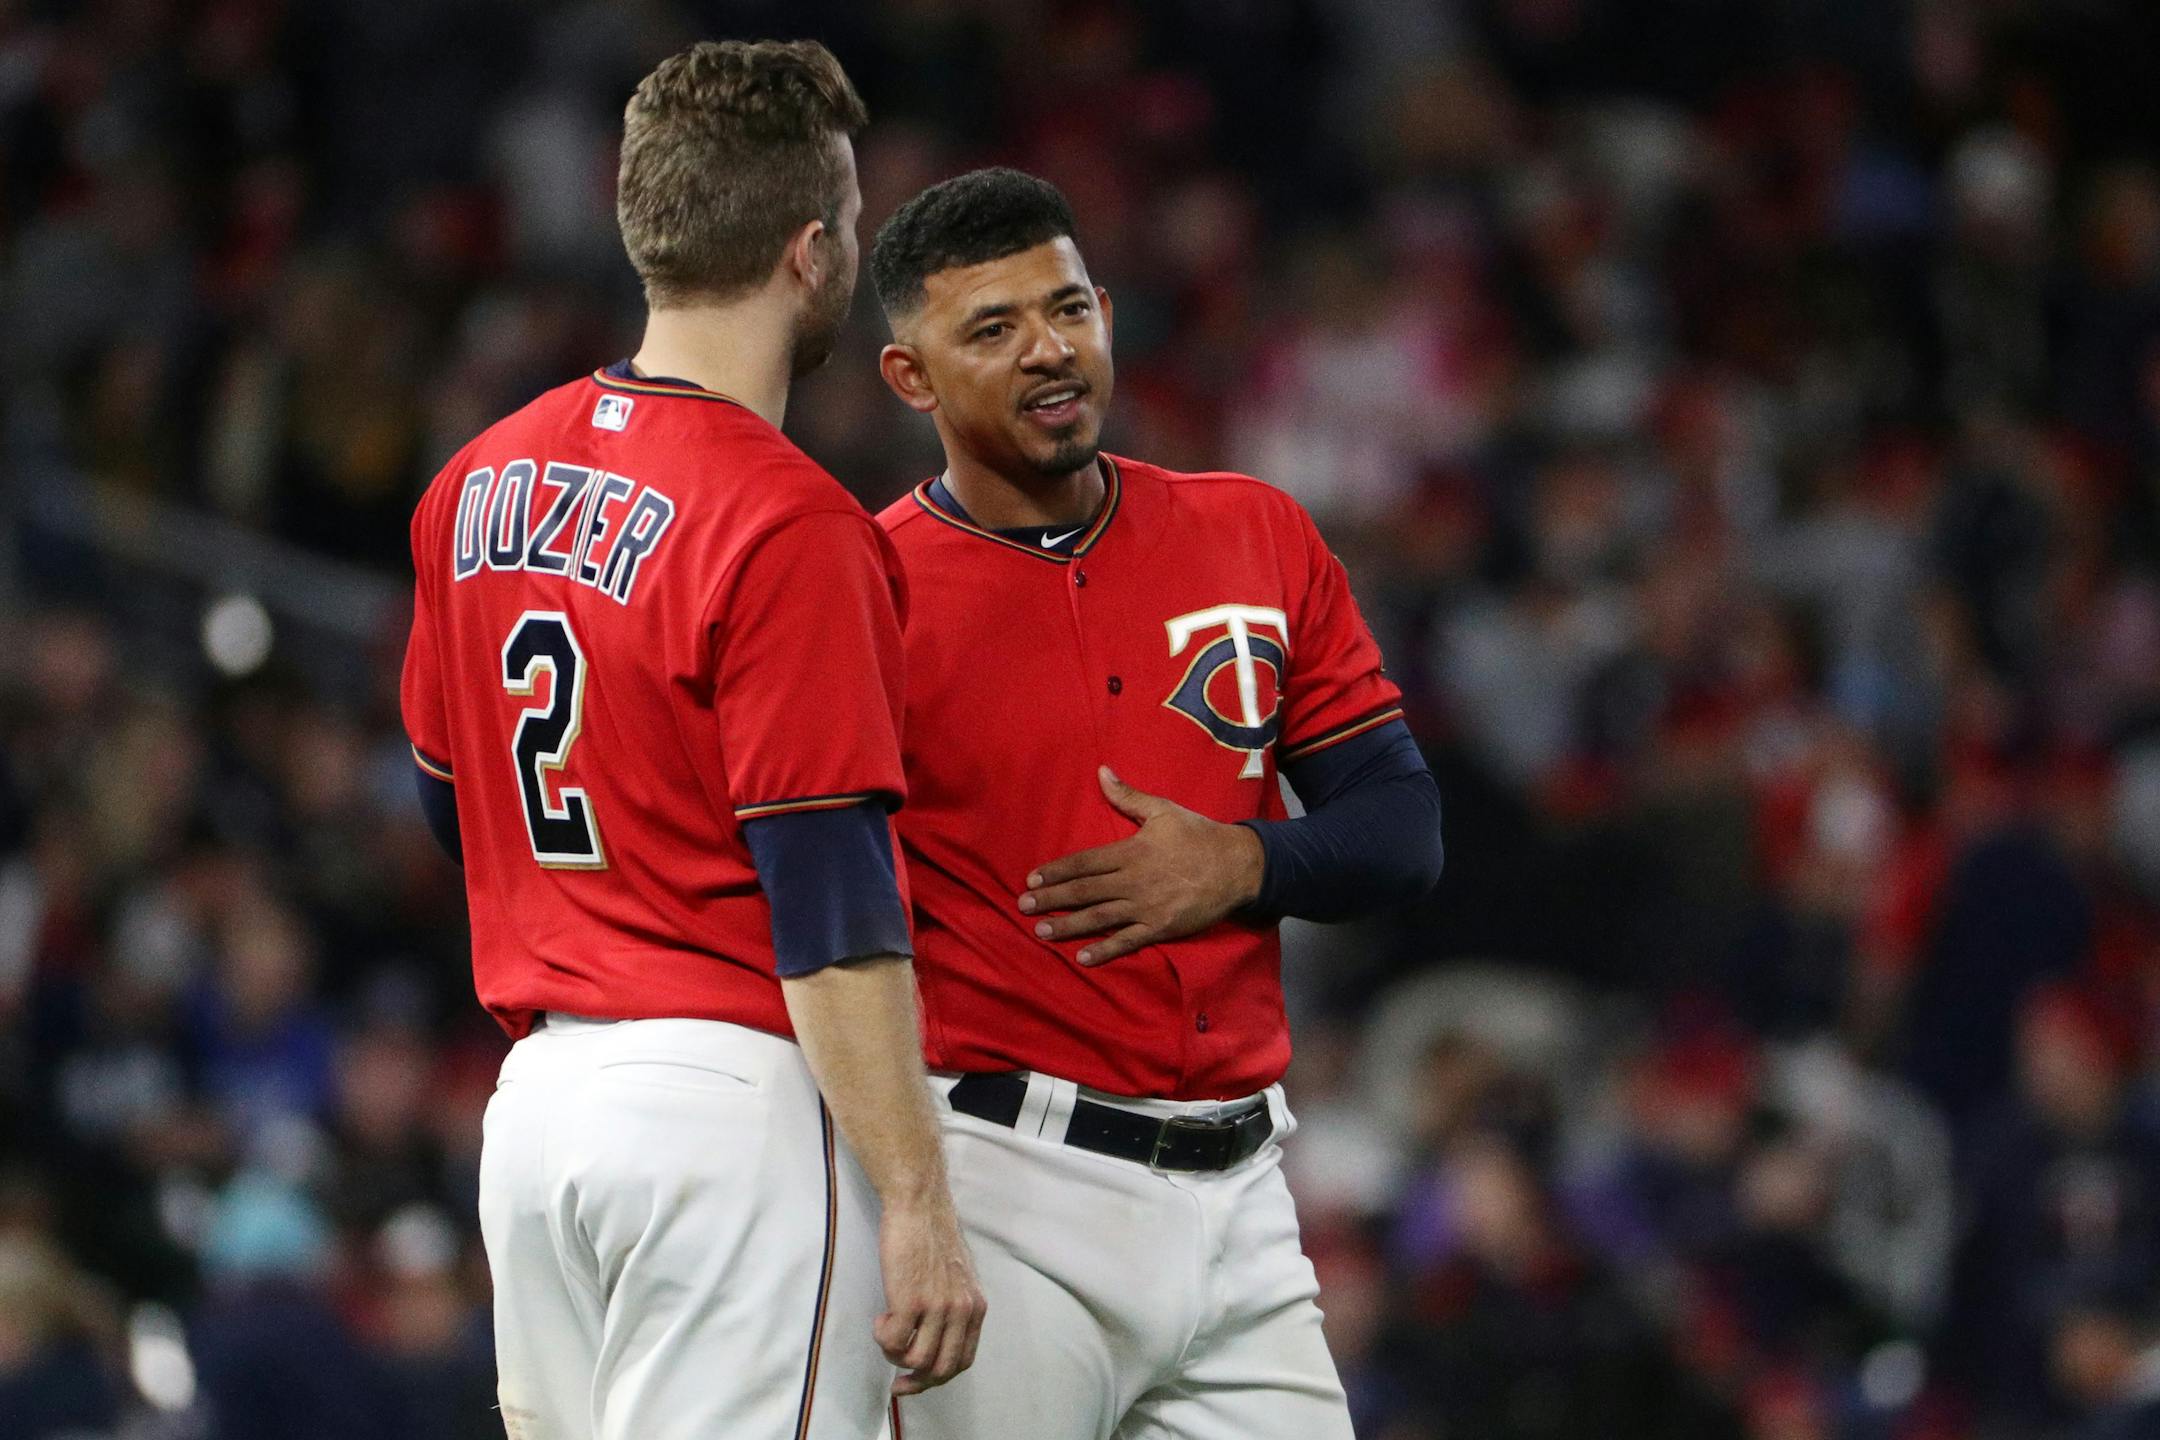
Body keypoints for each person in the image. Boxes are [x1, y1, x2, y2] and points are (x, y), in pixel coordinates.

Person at [399, 41, 983, 1440]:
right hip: (727, 1109)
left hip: (538, 1111)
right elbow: (831, 906)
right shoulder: (790, 524)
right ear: (808, 253)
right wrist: (917, 1199)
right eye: (849, 221)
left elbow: (448, 802)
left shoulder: (477, 478)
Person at [865, 167, 1444, 1440]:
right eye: (994, 328)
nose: (1048, 351)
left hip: (1243, 1196)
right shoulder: (865, 591)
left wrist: (1242, 864)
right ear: (912, 379)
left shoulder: (1253, 530)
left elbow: (1403, 832)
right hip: (1006, 1182)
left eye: (1067, 308)